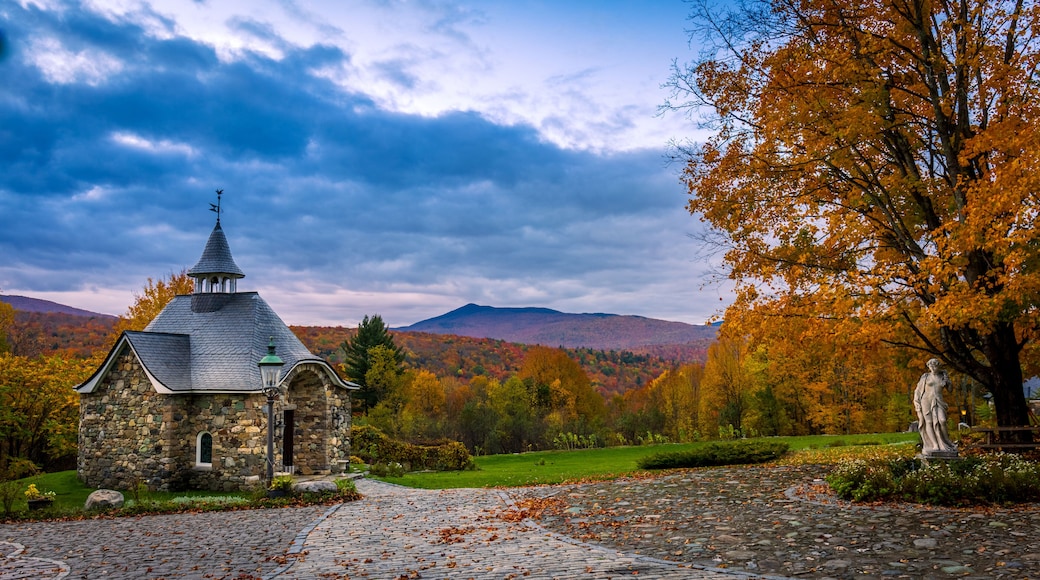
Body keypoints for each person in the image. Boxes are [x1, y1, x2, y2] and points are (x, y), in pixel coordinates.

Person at [913, 358, 958, 457]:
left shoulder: (942, 376)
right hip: (926, 401)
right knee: (928, 422)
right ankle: (935, 444)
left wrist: (948, 381)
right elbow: (918, 391)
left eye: (935, 366)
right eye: (931, 366)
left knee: (942, 420)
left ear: (938, 366)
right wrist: (917, 403)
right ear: (928, 367)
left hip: (938, 401)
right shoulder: (925, 377)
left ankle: (946, 442)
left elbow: (950, 390)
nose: (933, 368)